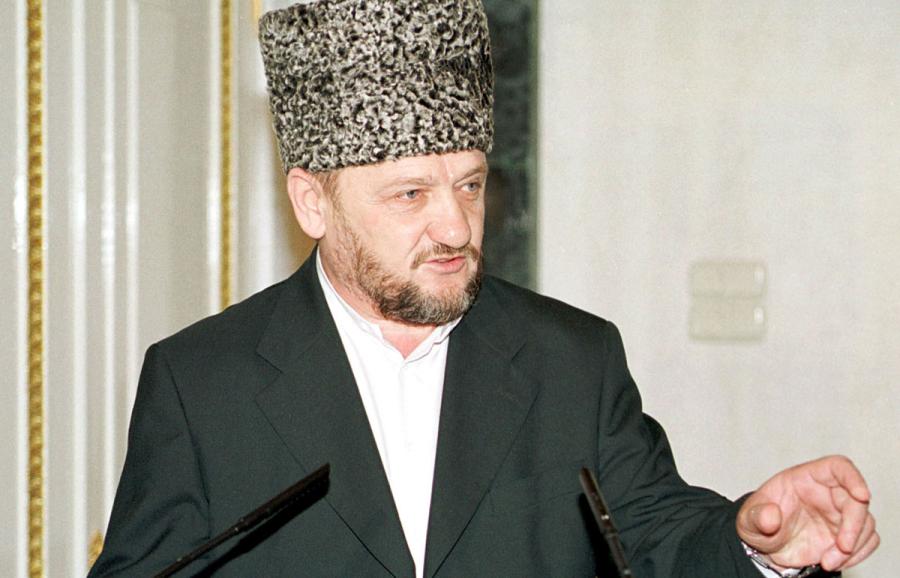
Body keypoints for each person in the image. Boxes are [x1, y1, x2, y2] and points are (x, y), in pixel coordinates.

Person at [89, 1, 879, 576]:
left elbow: (658, 538)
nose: (456, 227)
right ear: (312, 204)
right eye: (410, 195)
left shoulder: (572, 360)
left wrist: (756, 543)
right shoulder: (202, 384)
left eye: (468, 185)